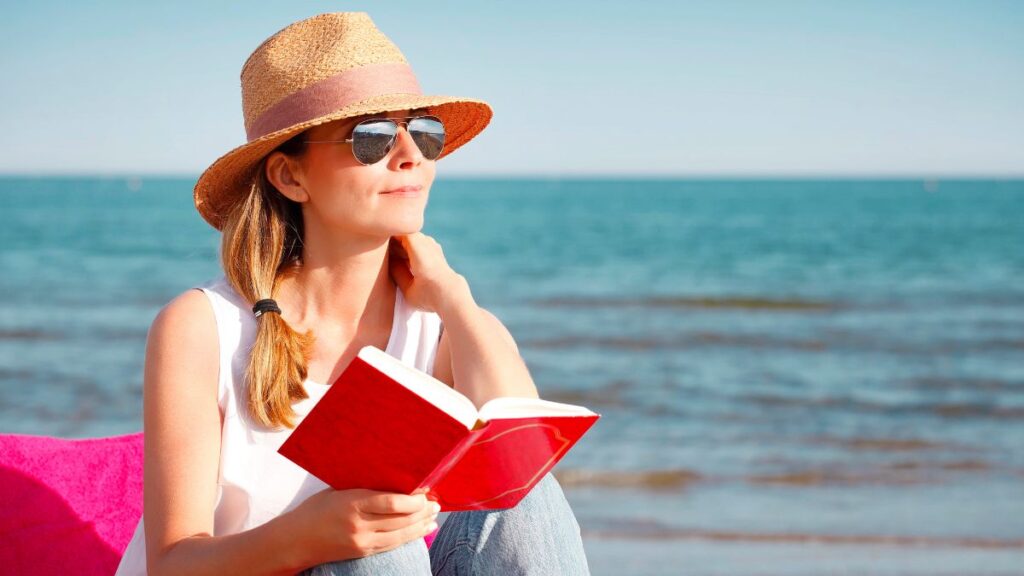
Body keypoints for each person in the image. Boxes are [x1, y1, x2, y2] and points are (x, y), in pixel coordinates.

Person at [114, 11, 591, 576]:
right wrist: (305, 537)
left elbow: (522, 465)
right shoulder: (202, 326)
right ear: (291, 177)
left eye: (424, 131)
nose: (410, 155)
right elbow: (170, 564)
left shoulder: (435, 318)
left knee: (526, 497)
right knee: (378, 546)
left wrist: (457, 301)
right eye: (372, 137)